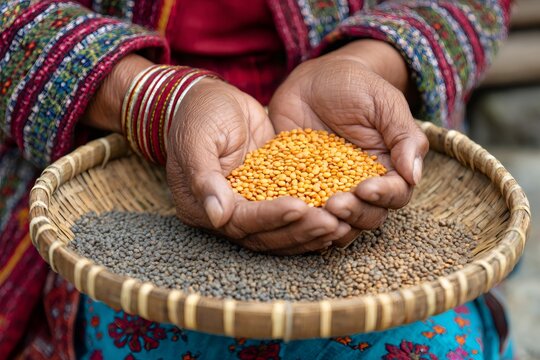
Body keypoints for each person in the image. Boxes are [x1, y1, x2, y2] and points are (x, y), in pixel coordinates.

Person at [0, 0, 512, 358]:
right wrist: (155, 101)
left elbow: (473, 5)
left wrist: (368, 63)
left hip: (351, 128)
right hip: (112, 148)